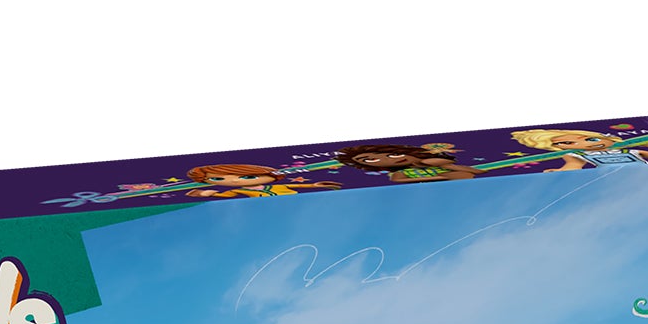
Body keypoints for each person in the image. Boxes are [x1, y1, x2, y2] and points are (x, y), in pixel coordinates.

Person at [509, 127, 648, 170]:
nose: (585, 145)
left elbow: (645, 153)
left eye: (592, 139)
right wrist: (561, 171)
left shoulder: (624, 149)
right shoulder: (577, 154)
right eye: (565, 144)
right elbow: (573, 164)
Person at [335, 142, 477, 183]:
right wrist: (439, 177)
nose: (391, 159)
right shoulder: (401, 173)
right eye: (371, 160)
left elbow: (477, 172)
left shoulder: (433, 162)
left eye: (395, 154)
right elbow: (398, 180)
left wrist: (445, 165)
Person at [185, 162, 340, 198]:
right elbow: (227, 195)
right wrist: (206, 193)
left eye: (248, 177)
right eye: (217, 179)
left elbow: (300, 186)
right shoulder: (239, 190)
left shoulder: (279, 186)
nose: (235, 181)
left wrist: (315, 185)